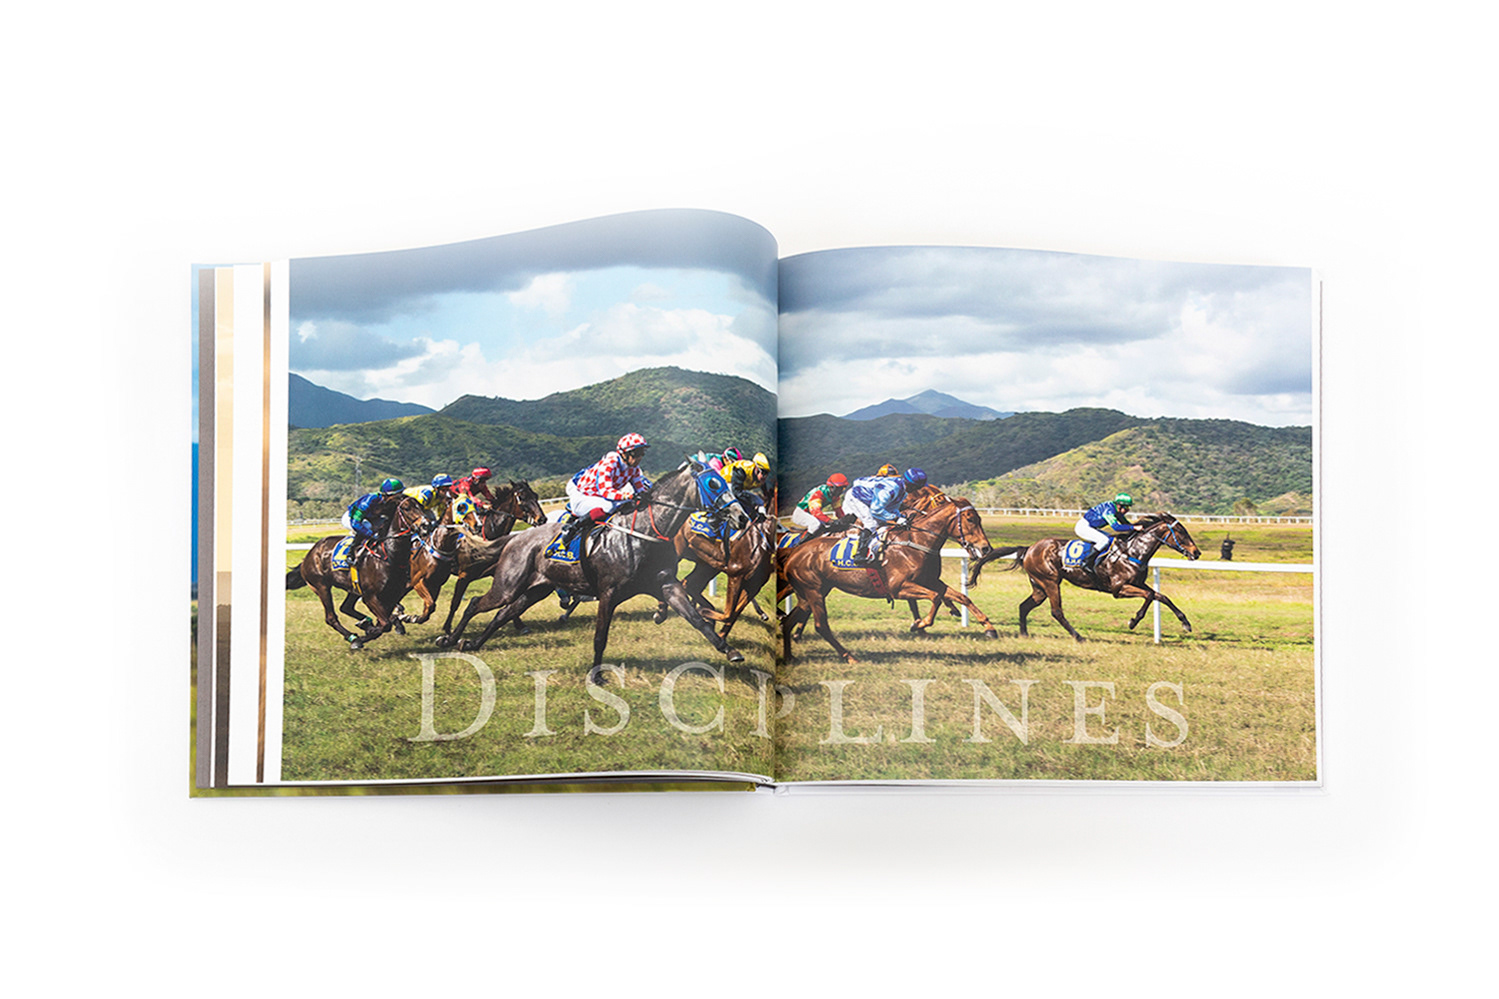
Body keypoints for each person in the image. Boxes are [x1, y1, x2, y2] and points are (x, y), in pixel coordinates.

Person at [558, 433, 654, 546]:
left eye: (642, 453)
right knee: (609, 506)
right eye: (636, 453)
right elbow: (606, 491)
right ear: (624, 454)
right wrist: (629, 496)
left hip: (597, 494)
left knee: (630, 504)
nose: (640, 457)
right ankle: (572, 528)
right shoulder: (609, 464)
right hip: (580, 493)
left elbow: (641, 490)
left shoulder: (634, 469)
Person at [843, 471, 908, 564]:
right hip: (856, 497)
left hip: (869, 499)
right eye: (917, 487)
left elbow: (892, 508)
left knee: (883, 523)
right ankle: (859, 554)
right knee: (871, 524)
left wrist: (899, 516)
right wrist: (896, 519)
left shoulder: (903, 491)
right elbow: (876, 510)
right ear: (910, 484)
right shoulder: (890, 489)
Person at [1075, 492, 1137, 571]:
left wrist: (1136, 528)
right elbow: (1116, 527)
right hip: (1083, 527)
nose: (1128, 510)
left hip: (1092, 527)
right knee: (1104, 540)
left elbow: (1125, 523)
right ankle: (1086, 562)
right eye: (1126, 507)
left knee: (1111, 539)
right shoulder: (1109, 510)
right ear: (1119, 505)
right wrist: (1133, 527)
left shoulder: (1116, 510)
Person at [343, 478, 406, 548]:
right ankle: (351, 552)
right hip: (351, 518)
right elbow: (355, 523)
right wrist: (371, 535)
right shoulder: (369, 501)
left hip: (371, 518)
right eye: (397, 495)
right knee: (367, 525)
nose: (400, 497)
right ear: (388, 495)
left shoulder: (391, 503)